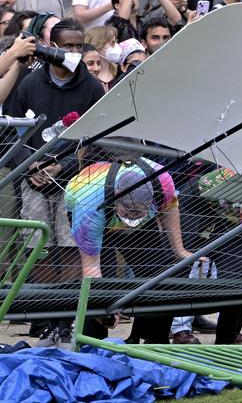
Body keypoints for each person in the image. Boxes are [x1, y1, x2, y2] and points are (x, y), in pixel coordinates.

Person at [8, 20, 104, 344]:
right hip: (32, 181)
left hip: (74, 181)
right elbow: (10, 134)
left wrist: (60, 166)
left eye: (80, 46)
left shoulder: (91, 86)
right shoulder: (29, 83)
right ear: (52, 46)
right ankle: (48, 321)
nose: (74, 52)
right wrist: (29, 166)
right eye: (68, 46)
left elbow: (96, 137)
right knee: (40, 249)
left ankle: (66, 322)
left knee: (70, 248)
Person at [66, 160, 189, 343]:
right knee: (101, 284)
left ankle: (155, 341)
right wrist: (104, 304)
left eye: (139, 212)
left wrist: (180, 250)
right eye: (129, 211)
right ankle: (92, 344)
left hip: (140, 226)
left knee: (160, 273)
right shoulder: (88, 204)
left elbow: (169, 208)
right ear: (117, 196)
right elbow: (91, 267)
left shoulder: (162, 180)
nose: (131, 218)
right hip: (96, 212)